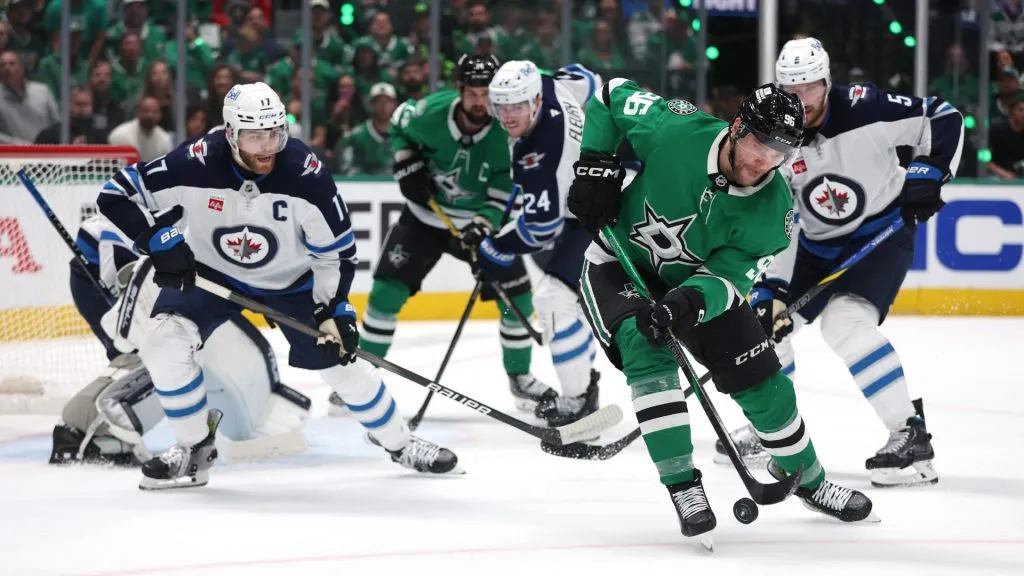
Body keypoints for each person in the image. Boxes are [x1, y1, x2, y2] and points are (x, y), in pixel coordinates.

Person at [97, 81, 460, 490]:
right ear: (231, 133)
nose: (268, 145)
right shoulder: (194, 162)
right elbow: (115, 195)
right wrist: (161, 241)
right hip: (210, 276)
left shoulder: (305, 173)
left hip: (290, 285)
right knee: (163, 340)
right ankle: (194, 448)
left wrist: (333, 309)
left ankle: (400, 441)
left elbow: (335, 253)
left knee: (342, 363)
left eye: (275, 132)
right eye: (255, 135)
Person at [567, 79, 877, 544]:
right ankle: (683, 486)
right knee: (646, 349)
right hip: (619, 266)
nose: (763, 162)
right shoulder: (676, 130)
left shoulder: (774, 212)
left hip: (694, 292)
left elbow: (728, 278)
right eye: (758, 145)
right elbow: (611, 94)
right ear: (737, 127)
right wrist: (595, 163)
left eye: (778, 153)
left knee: (767, 389)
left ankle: (810, 481)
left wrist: (687, 303)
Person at [717, 37, 963, 489]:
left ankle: (910, 434)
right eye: (791, 90)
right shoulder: (774, 134)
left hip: (880, 233)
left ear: (826, 83)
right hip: (813, 245)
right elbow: (781, 221)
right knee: (764, 325)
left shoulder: (866, 107)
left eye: (810, 89)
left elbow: (942, 117)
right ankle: (772, 428)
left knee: (845, 323)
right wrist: (772, 289)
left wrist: (929, 172)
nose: (801, 101)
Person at [355, 54, 553, 413]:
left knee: (518, 299)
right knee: (386, 291)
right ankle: (361, 377)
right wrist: (405, 161)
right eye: (472, 93)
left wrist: (482, 227)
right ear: (459, 90)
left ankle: (520, 377)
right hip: (424, 219)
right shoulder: (430, 113)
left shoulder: (507, 133)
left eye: (486, 94)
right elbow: (399, 124)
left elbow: (503, 191)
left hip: (480, 227)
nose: (480, 102)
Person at [51, 214, 311, 468]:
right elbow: (109, 241)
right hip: (102, 278)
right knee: (144, 350)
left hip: (144, 271)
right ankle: (88, 429)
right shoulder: (151, 209)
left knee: (172, 341)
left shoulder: (206, 205)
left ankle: (100, 419)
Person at [483, 60, 600, 426]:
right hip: (599, 196)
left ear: (533, 101)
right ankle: (585, 381)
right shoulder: (550, 84)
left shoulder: (541, 156)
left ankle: (578, 400)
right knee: (572, 304)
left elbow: (541, 229)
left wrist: (496, 248)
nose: (507, 115)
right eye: (501, 106)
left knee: (552, 298)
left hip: (600, 215)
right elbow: (588, 78)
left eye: (516, 106)